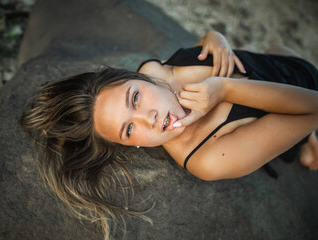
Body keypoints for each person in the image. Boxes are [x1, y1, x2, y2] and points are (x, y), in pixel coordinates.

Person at [20, 31, 318, 240]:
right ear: (133, 144)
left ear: (136, 77)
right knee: (304, 144)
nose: (147, 118)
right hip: (304, 96)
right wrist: (225, 88)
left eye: (135, 99)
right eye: (129, 128)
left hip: (280, 63)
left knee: (281, 49)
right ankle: (305, 142)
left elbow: (206, 41)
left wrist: (215, 37)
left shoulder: (155, 69)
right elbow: (313, 106)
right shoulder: (206, 158)